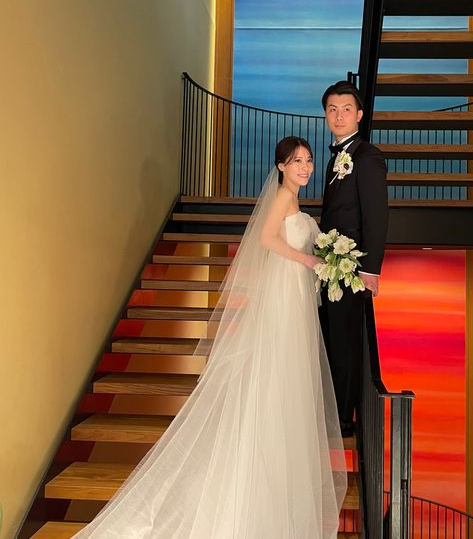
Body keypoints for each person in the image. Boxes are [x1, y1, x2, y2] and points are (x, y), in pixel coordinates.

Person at [73, 136, 346, 538]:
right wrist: (306, 258)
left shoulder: (294, 202)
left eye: (307, 160)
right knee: (273, 384)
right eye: (296, 161)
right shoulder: (282, 199)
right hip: (282, 301)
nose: (304, 167)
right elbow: (265, 239)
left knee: (285, 386)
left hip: (292, 299)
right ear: (281, 167)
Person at [318, 81, 389, 437]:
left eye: (346, 109)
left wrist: (371, 270)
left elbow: (376, 216)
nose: (339, 115)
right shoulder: (336, 159)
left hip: (352, 268)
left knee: (346, 342)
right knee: (334, 338)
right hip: (331, 266)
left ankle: (344, 417)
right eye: (332, 110)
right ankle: (334, 412)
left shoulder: (367, 157)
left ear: (359, 115)